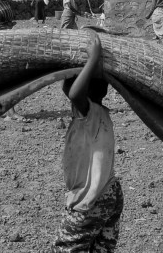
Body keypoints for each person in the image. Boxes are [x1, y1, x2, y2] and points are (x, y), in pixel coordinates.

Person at [53, 32, 123, 252]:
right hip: (110, 194)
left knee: (67, 248)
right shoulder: (101, 113)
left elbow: (74, 94)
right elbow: (70, 90)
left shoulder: (88, 114)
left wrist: (92, 59)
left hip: (88, 201)